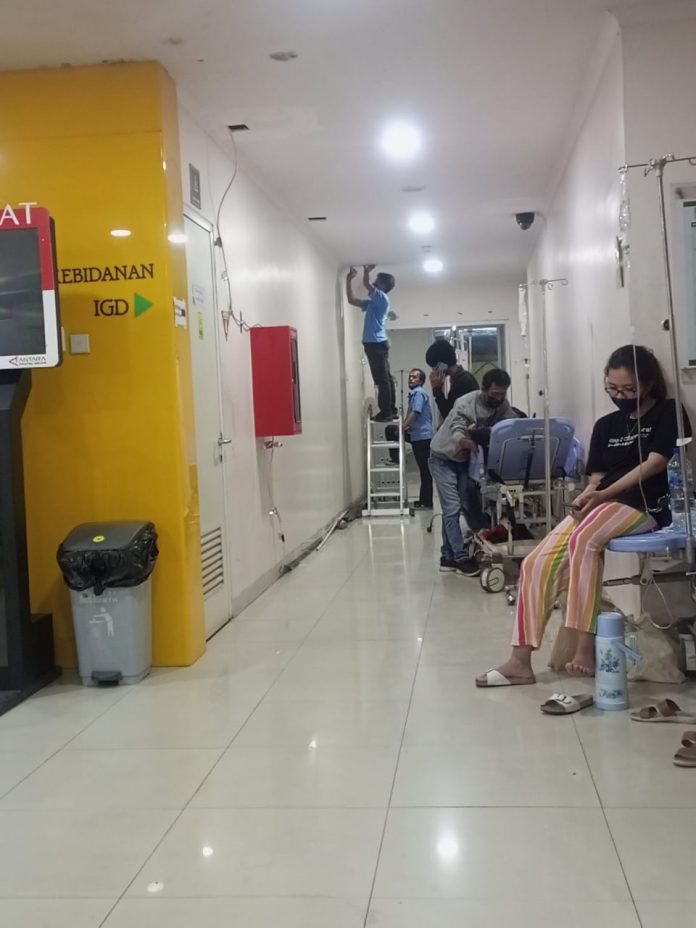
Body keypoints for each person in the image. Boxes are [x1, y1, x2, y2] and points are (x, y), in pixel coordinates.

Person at [476, 345, 690, 687]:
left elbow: (655, 463)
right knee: (535, 563)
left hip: (645, 506)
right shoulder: (607, 425)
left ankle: (584, 648)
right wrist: (588, 496)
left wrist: (603, 494)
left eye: (628, 389)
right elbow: (596, 477)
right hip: (602, 503)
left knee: (585, 540)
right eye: (612, 388)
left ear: (648, 384)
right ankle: (520, 661)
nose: (619, 396)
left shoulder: (667, 412)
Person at [430, 368, 518, 576]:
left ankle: (447, 557)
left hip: (464, 461)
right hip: (443, 458)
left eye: (503, 394)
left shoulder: (502, 405)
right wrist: (465, 441)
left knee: (460, 507)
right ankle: (461, 558)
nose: (498, 398)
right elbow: (457, 429)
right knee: (452, 508)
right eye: (494, 394)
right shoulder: (465, 403)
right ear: (483, 389)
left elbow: (511, 424)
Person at [346, 264, 397, 422]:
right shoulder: (373, 303)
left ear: (384, 285)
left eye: (378, 280)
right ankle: (391, 410)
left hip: (375, 344)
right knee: (386, 378)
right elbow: (352, 300)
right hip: (376, 343)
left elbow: (366, 284)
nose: (374, 282)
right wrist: (348, 280)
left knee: (382, 379)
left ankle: (386, 412)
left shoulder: (382, 298)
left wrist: (366, 271)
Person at [402, 368, 434, 509]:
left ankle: (427, 502)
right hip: (418, 435)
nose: (410, 379)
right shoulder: (414, 394)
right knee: (424, 470)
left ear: (421, 381)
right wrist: (405, 426)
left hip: (422, 437)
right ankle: (423, 500)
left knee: (425, 470)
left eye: (414, 377)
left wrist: (403, 427)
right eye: (410, 376)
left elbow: (415, 412)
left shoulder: (419, 393)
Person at [424, 340, 479, 421]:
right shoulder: (460, 379)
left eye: (434, 367)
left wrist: (437, 389)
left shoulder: (463, 382)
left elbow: (449, 415)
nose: (433, 371)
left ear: (441, 365)